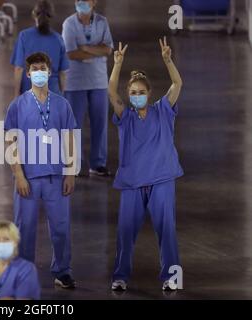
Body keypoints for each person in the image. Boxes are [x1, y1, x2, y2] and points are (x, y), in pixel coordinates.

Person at [108, 38, 184, 291]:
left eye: (141, 92)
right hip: (132, 182)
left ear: (149, 93)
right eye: (133, 93)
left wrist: (167, 60)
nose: (137, 96)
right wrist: (117, 65)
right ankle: (120, 276)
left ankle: (172, 277)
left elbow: (177, 83)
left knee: (167, 230)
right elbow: (111, 93)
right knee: (125, 231)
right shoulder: (125, 117)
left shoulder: (163, 110)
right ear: (128, 96)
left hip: (161, 178)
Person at [4, 52, 78, 289]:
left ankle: (62, 271)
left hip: (56, 177)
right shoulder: (17, 106)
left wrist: (70, 172)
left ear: (49, 72)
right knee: (24, 227)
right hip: (28, 177)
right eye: (34, 69)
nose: (38, 72)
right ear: (28, 74)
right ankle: (23, 272)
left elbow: (69, 139)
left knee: (61, 227)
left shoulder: (61, 104)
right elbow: (11, 142)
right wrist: (18, 175)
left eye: (42, 68)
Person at [62, 0, 113, 177]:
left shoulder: (102, 22)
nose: (81, 3)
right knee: (73, 125)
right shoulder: (69, 24)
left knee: (100, 123)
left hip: (99, 82)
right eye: (78, 0)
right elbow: (71, 53)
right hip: (75, 83)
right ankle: (72, 164)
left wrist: (85, 48)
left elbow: (108, 49)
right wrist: (95, 50)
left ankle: (98, 163)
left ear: (94, 2)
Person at [11, 0, 69, 96]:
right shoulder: (58, 39)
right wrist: (61, 95)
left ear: (33, 14)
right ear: (52, 16)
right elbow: (62, 73)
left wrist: (16, 96)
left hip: (29, 93)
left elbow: (18, 69)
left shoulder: (24, 36)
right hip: (52, 93)